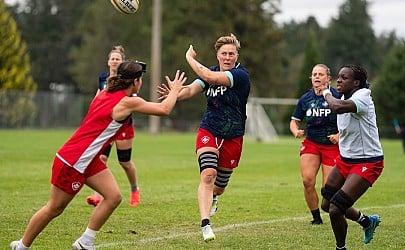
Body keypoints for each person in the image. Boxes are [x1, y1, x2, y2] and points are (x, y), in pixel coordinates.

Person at [9, 61, 186, 250]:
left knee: (113, 196)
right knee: (54, 208)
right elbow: (164, 109)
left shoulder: (105, 92)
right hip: (74, 160)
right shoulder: (127, 102)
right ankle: (22, 245)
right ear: (135, 82)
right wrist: (175, 89)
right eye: (140, 79)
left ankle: (85, 241)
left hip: (88, 159)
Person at [158, 34, 250, 242]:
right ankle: (205, 224)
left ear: (237, 56)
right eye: (224, 53)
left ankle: (215, 196)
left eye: (231, 54)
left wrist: (189, 58)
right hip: (209, 129)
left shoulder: (240, 75)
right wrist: (174, 93)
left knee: (219, 185)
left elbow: (209, 77)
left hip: (233, 136)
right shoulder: (211, 71)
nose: (227, 57)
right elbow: (191, 89)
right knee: (208, 174)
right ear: (217, 55)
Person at [319, 65, 384, 250]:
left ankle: (341, 248)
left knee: (335, 209)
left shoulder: (363, 96)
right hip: (346, 160)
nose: (338, 80)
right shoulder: (342, 96)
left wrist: (325, 92)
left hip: (368, 162)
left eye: (344, 78)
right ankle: (366, 221)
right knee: (326, 203)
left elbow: (338, 108)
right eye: (338, 77)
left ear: (356, 83)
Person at [86, 45, 141, 207]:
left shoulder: (128, 78)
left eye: (118, 59)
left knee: (125, 162)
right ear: (108, 61)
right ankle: (97, 195)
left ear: (122, 62)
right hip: (106, 125)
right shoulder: (103, 78)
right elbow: (98, 96)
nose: (115, 61)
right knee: (101, 158)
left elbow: (133, 98)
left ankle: (134, 190)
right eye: (113, 58)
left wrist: (137, 74)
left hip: (123, 125)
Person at [289, 64, 340, 225]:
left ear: (328, 78)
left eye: (320, 74)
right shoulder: (305, 99)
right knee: (307, 180)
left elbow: (351, 121)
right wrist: (295, 130)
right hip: (312, 143)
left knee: (328, 188)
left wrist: (340, 135)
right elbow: (294, 121)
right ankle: (316, 217)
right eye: (314, 74)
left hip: (332, 146)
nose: (317, 77)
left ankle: (339, 210)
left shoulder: (337, 96)